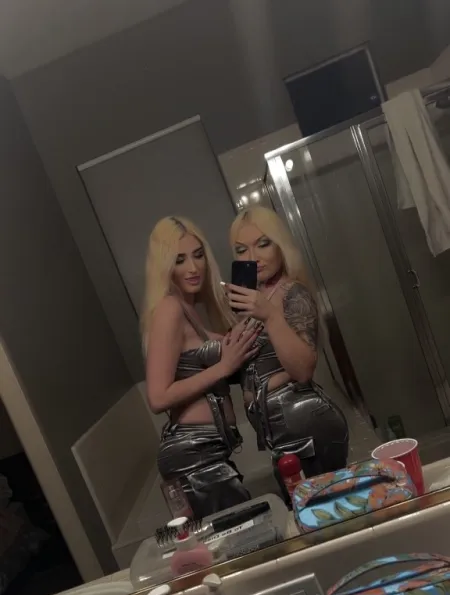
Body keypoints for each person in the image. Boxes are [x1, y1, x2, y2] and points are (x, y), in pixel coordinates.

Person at [143, 216, 258, 518]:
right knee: (246, 535)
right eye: (180, 260)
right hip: (194, 456)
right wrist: (224, 367)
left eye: (198, 255)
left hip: (207, 452)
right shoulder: (169, 309)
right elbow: (157, 397)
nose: (193, 268)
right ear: (165, 266)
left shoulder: (187, 308)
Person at [227, 206, 348, 484]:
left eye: (263, 244)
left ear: (280, 246)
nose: (253, 257)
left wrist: (269, 315)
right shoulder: (256, 298)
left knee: (323, 503)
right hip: (280, 432)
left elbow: (303, 369)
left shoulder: (293, 293)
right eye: (242, 250)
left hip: (306, 426)